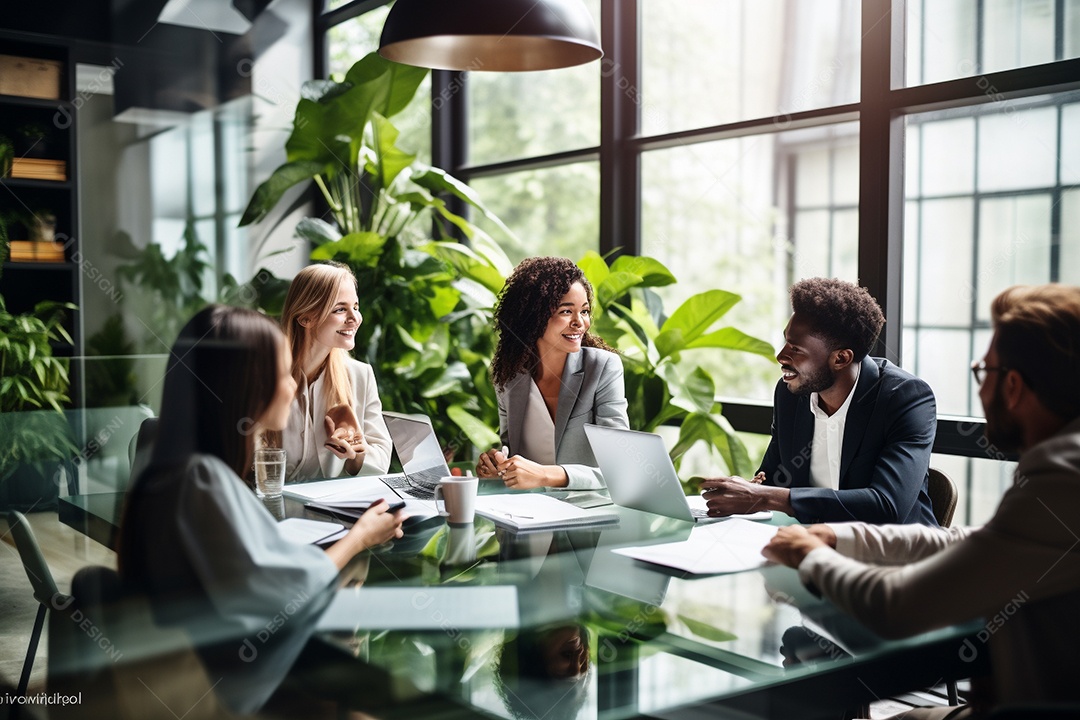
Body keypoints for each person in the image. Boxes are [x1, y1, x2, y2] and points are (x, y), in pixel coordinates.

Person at [762, 284, 1080, 718]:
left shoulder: (1062, 478)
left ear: (1013, 386)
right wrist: (840, 536)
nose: (980, 393)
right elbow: (980, 541)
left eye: (981, 372)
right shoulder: (1065, 465)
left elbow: (897, 608)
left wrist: (812, 557)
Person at [119, 305, 406, 715]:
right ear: (245, 385)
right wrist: (358, 538)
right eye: (281, 373)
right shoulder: (203, 481)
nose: (292, 385)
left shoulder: (174, 473)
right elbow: (286, 593)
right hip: (239, 691)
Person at [702, 277, 938, 525]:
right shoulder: (790, 395)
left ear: (841, 359)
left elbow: (886, 506)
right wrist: (744, 491)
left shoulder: (905, 398)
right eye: (786, 341)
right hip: (814, 545)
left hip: (895, 553)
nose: (780, 356)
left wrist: (764, 497)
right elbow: (772, 479)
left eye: (796, 349)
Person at [476, 256, 629, 490]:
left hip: (587, 515)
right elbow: (511, 453)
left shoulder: (603, 368)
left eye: (585, 311)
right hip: (528, 514)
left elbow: (620, 468)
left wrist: (546, 476)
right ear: (533, 317)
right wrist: (498, 466)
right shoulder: (509, 376)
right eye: (566, 311)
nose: (580, 323)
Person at [276, 261, 392, 481]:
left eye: (356, 307)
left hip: (332, 510)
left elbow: (382, 458)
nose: (355, 318)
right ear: (305, 318)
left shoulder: (360, 375)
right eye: (340, 309)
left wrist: (355, 455)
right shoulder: (265, 376)